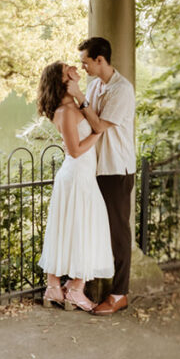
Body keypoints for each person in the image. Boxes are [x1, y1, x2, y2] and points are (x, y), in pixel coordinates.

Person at [66, 36, 137, 316]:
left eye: (85, 62)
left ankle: (120, 293)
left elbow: (97, 126)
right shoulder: (96, 85)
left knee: (118, 233)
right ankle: (83, 283)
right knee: (95, 228)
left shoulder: (122, 90)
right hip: (95, 168)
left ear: (100, 59)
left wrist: (80, 97)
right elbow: (84, 118)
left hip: (116, 169)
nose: (83, 66)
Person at [36, 62, 114, 312]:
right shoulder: (66, 111)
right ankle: (74, 290)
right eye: (69, 69)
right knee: (83, 228)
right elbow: (76, 151)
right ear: (63, 80)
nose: (75, 69)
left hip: (81, 177)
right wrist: (98, 133)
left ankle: (56, 288)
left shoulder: (76, 105)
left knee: (75, 228)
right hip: (77, 176)